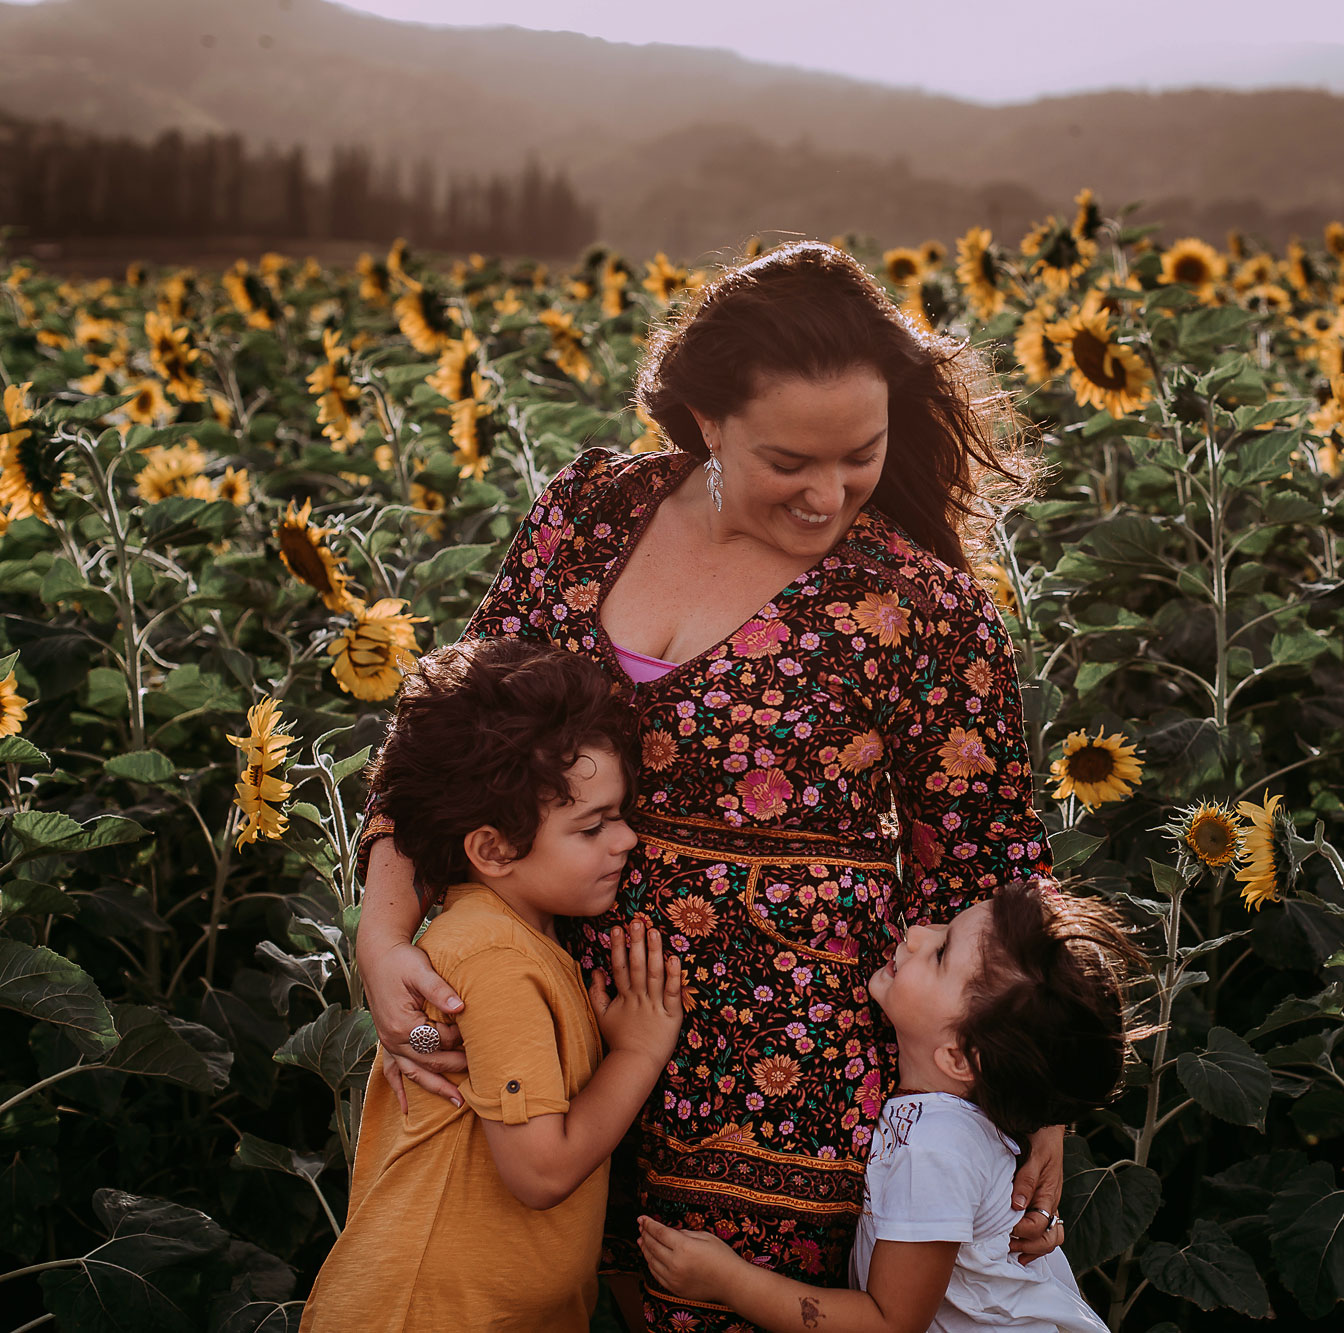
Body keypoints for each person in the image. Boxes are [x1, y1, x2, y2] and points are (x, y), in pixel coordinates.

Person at [354, 240, 1060, 1331]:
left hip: (784, 1077)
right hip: (540, 1019)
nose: (828, 495)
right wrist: (383, 936)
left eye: (859, 455)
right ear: (703, 422)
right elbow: (448, 738)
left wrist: (1033, 1092)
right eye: (790, 461)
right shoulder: (590, 512)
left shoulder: (920, 606)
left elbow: (986, 863)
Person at [303, 639, 685, 1332]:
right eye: (593, 824)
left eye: (622, 813)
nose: (626, 839)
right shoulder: (495, 958)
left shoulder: (511, 939)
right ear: (492, 849)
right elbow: (539, 1172)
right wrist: (640, 1052)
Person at [638, 879, 1138, 1333]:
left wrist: (729, 1282)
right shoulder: (962, 1109)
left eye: (941, 953)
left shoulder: (935, 1147)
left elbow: (890, 1324)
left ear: (960, 1057)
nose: (918, 931)